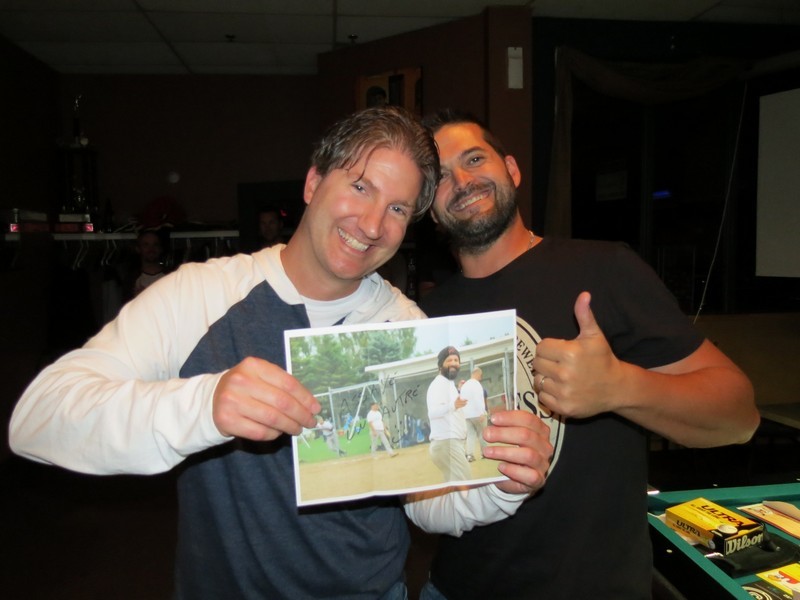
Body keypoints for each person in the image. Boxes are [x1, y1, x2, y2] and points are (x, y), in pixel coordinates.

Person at [10, 105, 552, 600]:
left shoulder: (405, 325)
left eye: (396, 208)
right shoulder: (202, 295)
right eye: (360, 187)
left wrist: (500, 485)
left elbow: (427, 503)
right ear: (314, 182)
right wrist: (203, 405)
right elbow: (37, 420)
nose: (371, 225)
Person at [415, 109, 760, 599]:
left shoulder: (605, 269)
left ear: (511, 169)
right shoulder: (424, 320)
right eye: (442, 177)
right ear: (430, 209)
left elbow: (739, 416)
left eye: (474, 159)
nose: (463, 181)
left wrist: (620, 387)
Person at [426, 346, 470, 482]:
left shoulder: (448, 383)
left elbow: (450, 407)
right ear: (441, 365)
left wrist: (458, 391)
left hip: (449, 444)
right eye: (449, 360)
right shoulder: (438, 384)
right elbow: (432, 413)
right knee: (466, 484)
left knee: (455, 488)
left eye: (456, 360)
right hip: (447, 444)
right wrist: (453, 405)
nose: (453, 363)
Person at [460, 367, 488, 462]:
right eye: (481, 375)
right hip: (477, 413)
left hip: (467, 415)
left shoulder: (465, 386)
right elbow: (478, 399)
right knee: (482, 433)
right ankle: (485, 453)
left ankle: (470, 455)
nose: (481, 377)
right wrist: (482, 412)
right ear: (478, 374)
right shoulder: (477, 385)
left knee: (470, 435)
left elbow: (462, 400)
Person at [131, 229, 166, 297]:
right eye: (146, 245)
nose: (151, 249)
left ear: (160, 248)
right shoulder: (131, 279)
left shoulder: (171, 276)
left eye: (155, 244)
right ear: (138, 249)